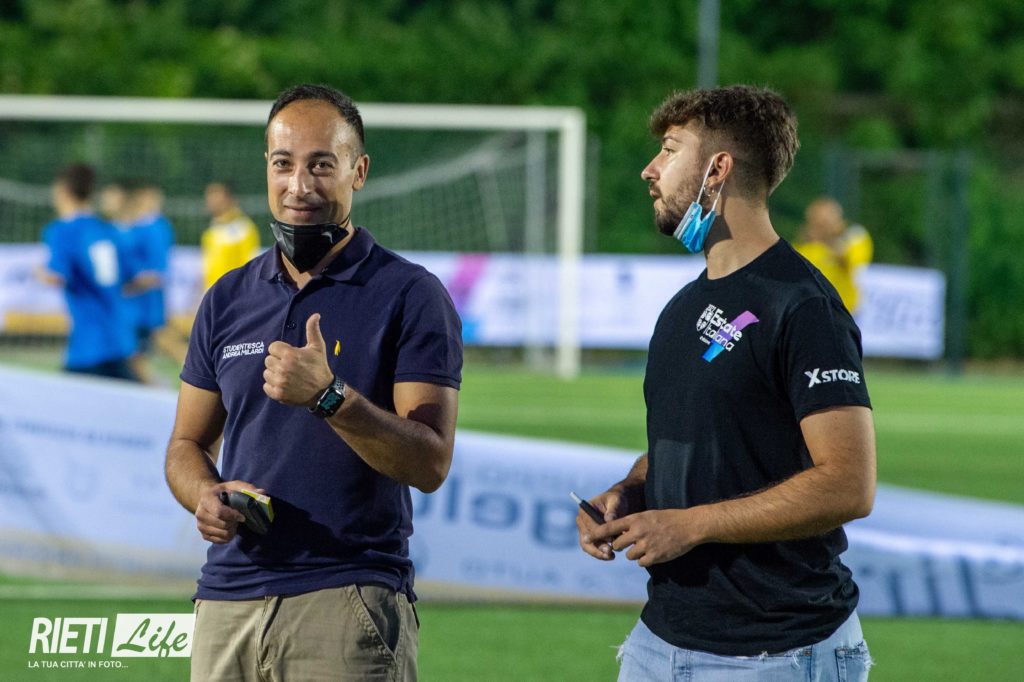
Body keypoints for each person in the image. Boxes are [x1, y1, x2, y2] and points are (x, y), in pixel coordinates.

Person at [576, 86, 876, 681]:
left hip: (779, 654)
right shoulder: (682, 307)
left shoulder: (804, 307)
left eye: (670, 150)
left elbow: (849, 484)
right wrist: (632, 490)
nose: (650, 170)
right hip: (659, 643)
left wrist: (690, 524)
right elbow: (701, 442)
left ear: (717, 169)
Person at [164, 83, 462, 681]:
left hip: (347, 597)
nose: (299, 185)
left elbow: (430, 464)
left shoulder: (410, 294)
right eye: (283, 164)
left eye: (321, 165)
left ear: (359, 171)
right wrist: (204, 495)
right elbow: (186, 445)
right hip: (226, 600)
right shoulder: (227, 297)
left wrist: (330, 398)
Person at [37, 164, 138, 381]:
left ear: (63, 191)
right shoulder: (110, 230)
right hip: (119, 339)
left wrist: (38, 273)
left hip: (88, 346)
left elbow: (57, 276)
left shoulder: (63, 230)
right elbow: (131, 280)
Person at [794, 197, 873, 313]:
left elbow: (852, 264)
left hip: (844, 310)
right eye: (816, 222)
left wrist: (831, 241)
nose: (821, 228)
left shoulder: (854, 236)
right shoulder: (803, 246)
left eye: (824, 223)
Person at [201, 180, 261, 291]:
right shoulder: (211, 231)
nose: (211, 201)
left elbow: (251, 264)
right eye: (209, 196)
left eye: (216, 196)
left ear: (229, 199)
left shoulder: (243, 228)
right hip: (213, 293)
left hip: (234, 294)